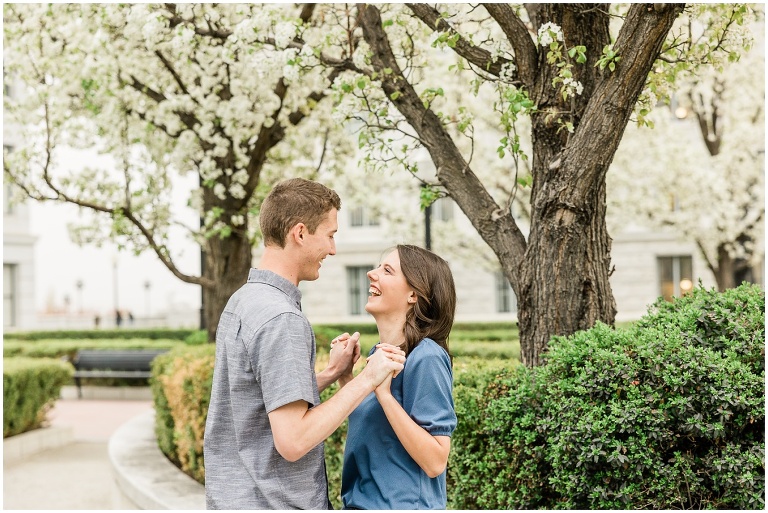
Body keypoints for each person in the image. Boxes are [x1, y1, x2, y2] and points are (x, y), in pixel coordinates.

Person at [203, 178, 405, 510]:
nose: (333, 249)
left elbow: (256, 400)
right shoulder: (282, 319)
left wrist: (329, 374)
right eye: (330, 235)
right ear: (299, 233)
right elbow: (293, 441)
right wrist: (369, 379)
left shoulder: (242, 301)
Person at [340, 244, 458, 510]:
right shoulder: (383, 354)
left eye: (387, 270)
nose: (372, 273)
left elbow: (436, 460)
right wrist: (345, 376)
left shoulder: (426, 356)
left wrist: (384, 395)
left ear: (413, 294)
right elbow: (375, 429)